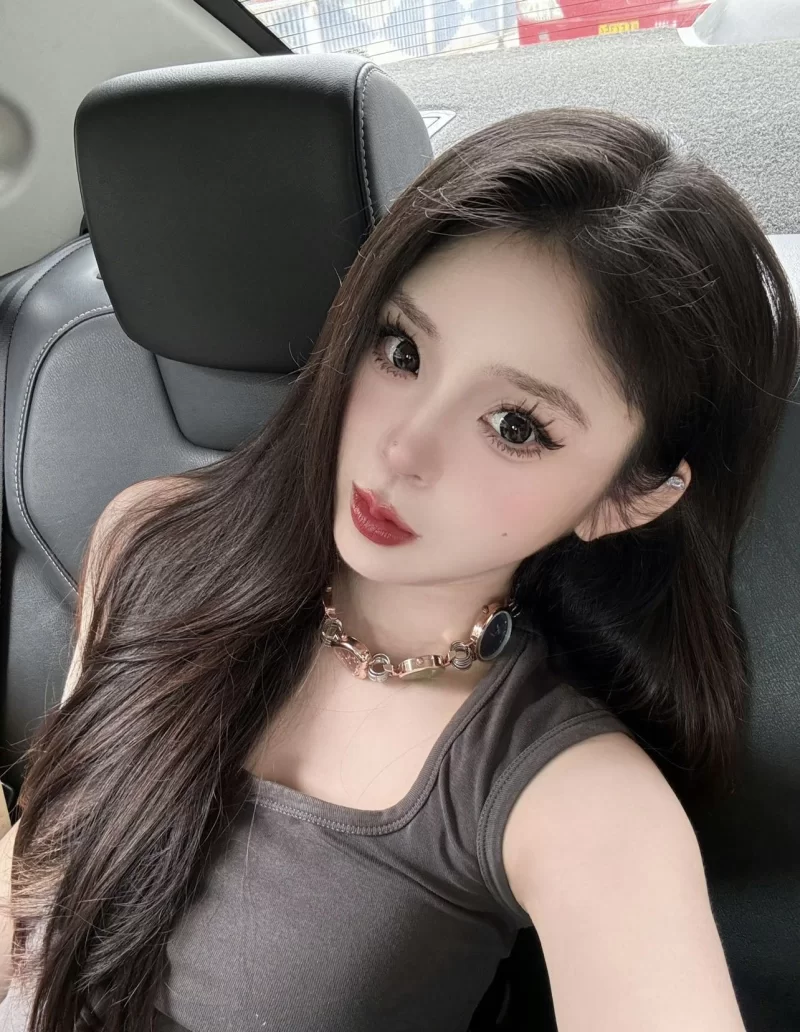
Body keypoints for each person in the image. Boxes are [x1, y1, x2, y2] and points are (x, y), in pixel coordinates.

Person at [0, 106, 797, 1031]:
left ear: (627, 498)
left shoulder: (578, 800)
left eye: (516, 426)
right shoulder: (149, 541)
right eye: (403, 350)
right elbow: (36, 897)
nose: (402, 449)